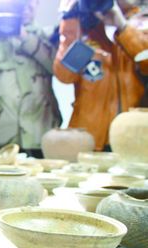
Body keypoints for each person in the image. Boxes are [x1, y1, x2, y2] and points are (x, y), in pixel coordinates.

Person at [0, 0, 61, 157]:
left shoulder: (46, 36)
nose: (25, 8)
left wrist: (25, 37)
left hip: (39, 135)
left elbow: (58, 69)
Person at [53, 0, 147, 151]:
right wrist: (70, 20)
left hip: (132, 138)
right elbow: (65, 75)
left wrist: (122, 26)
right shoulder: (84, 30)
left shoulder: (142, 24)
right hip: (87, 140)